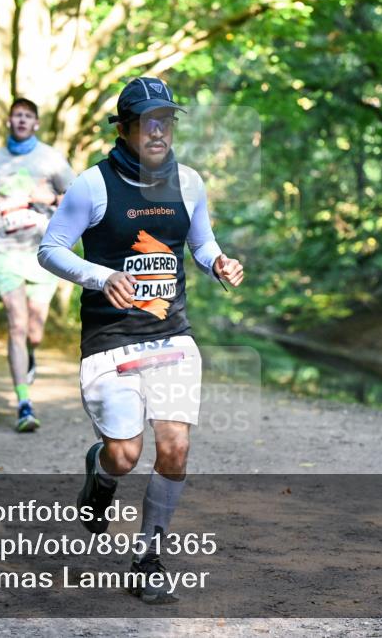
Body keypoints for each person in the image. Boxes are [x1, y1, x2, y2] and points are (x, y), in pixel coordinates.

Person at [38, 77, 244, 603]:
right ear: (126, 128)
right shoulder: (93, 185)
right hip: (111, 341)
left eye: (166, 120)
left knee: (174, 449)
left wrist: (217, 262)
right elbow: (52, 249)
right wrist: (102, 276)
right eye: (148, 121)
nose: (159, 130)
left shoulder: (190, 182)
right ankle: (102, 471)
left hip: (172, 337)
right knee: (125, 455)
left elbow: (199, 243)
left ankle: (148, 558)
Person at [0, 98, 75, 433]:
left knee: (34, 331)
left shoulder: (51, 159)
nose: (22, 120)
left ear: (36, 123)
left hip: (43, 251)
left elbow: (76, 199)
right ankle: (24, 404)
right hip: (4, 250)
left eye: (29, 116)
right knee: (16, 323)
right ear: (9, 121)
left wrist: (50, 199)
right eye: (17, 115)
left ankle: (30, 352)